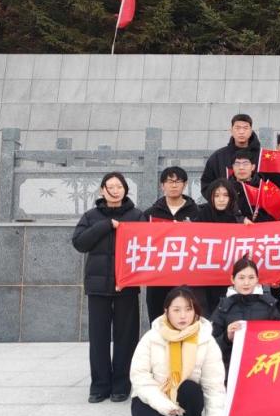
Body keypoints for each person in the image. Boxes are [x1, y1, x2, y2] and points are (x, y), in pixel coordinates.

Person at [73, 172, 143, 403]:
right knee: (98, 338)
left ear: (125, 190)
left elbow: (147, 245)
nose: (115, 190)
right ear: (102, 190)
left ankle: (121, 385)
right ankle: (99, 386)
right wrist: (105, 226)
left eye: (119, 186)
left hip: (127, 286)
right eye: (110, 186)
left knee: (126, 337)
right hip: (98, 286)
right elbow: (79, 243)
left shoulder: (137, 216)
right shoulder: (91, 216)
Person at [130, 287, 225, 416]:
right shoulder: (151, 337)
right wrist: (165, 405)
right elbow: (140, 378)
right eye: (176, 310)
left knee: (190, 388)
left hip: (186, 402)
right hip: (156, 397)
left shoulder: (206, 340)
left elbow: (214, 384)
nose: (183, 316)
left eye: (188, 309)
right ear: (166, 311)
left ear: (195, 311)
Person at [143, 166, 200, 322]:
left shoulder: (197, 213)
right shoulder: (150, 214)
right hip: (158, 276)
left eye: (178, 181)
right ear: (162, 185)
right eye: (169, 181)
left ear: (185, 184)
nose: (174, 185)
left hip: (187, 275)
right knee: (158, 320)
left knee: (186, 319)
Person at [211, 257, 280, 371]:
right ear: (232, 279)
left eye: (251, 277)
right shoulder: (223, 307)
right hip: (230, 370)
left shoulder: (269, 305)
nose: (246, 283)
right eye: (241, 278)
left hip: (262, 367)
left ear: (257, 279)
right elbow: (210, 347)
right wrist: (226, 337)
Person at [195, 179, 245, 316]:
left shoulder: (238, 219)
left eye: (225, 195)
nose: (221, 199)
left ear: (231, 197)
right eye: (216, 196)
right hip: (205, 277)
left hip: (230, 276)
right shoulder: (201, 216)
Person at [200, 113, 261, 191]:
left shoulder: (262, 156)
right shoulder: (218, 157)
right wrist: (222, 196)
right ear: (231, 131)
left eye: (245, 128)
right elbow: (206, 185)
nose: (241, 132)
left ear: (251, 131)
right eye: (237, 128)